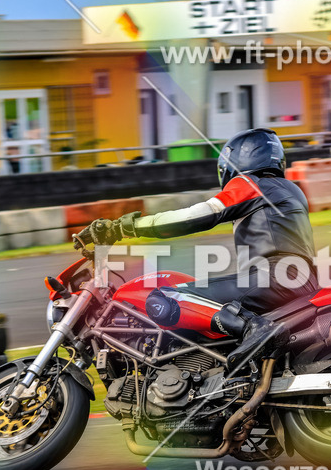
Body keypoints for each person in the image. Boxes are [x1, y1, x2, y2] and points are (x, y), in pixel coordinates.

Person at [81, 128, 317, 370]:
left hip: (275, 278)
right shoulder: (289, 189)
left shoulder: (250, 184)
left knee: (164, 295)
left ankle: (254, 329)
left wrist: (124, 227)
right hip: (299, 279)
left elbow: (198, 215)